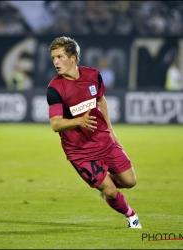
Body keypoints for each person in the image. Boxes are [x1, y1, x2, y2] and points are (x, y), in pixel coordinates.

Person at [46, 36, 141, 228]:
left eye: (60, 56)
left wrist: (111, 132)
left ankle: (105, 185)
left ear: (72, 58)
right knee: (112, 191)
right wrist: (78, 121)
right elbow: (55, 124)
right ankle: (131, 216)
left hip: (103, 140)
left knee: (130, 181)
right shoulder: (55, 88)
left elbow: (101, 100)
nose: (56, 62)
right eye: (53, 58)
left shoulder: (93, 75)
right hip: (79, 151)